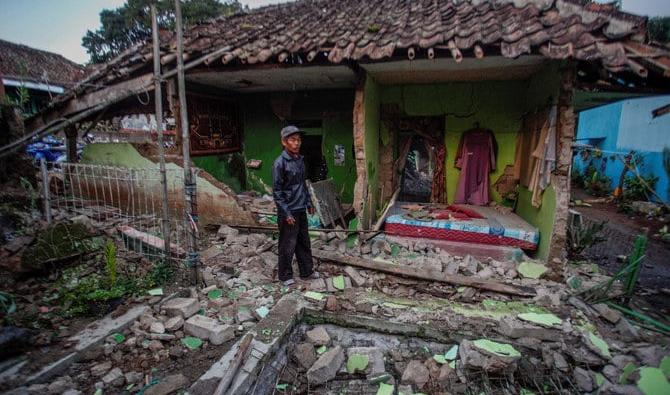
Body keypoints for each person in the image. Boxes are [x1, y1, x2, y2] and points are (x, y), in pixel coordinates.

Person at [272, 125, 320, 286]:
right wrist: (286, 213)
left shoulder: (300, 160)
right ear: (284, 142)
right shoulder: (280, 163)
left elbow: (302, 184)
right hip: (289, 211)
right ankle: (285, 276)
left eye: (298, 139)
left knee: (303, 241)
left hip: (300, 208)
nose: (297, 143)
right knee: (287, 244)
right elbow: (277, 192)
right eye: (293, 140)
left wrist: (308, 202)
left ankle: (307, 271)